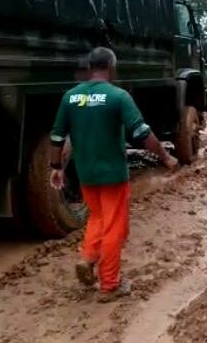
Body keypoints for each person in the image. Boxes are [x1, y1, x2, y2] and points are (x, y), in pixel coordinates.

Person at [48, 47, 178, 302]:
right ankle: (109, 284)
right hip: (113, 175)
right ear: (111, 66)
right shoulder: (118, 96)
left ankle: (87, 258)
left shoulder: (70, 97)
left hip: (86, 175)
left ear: (89, 67)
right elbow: (141, 133)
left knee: (97, 217)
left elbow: (56, 136)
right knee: (115, 228)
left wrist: (55, 167)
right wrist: (165, 155)